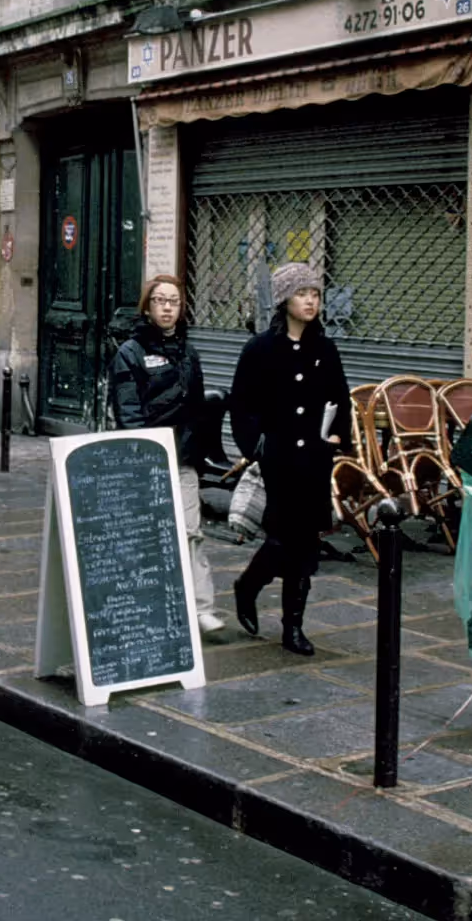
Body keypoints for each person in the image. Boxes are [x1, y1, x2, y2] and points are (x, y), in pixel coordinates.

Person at [228, 263, 351, 656]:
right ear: (285, 301)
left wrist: (338, 435)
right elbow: (241, 405)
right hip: (279, 459)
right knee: (282, 539)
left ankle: (292, 627)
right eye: (302, 294)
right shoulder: (260, 348)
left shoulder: (325, 349)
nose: (311, 301)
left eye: (315, 294)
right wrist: (255, 448)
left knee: (306, 543)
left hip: (315, 460)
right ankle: (249, 585)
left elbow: (341, 397)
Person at [110, 275, 222, 633]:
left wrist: (198, 451)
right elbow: (128, 413)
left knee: (190, 533)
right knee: (149, 536)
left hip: (184, 458)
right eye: (160, 300)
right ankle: (144, 604)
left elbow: (198, 408)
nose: (168, 307)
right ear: (148, 306)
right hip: (148, 459)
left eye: (174, 301)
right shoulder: (130, 352)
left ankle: (200, 607)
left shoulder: (190, 352)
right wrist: (142, 454)